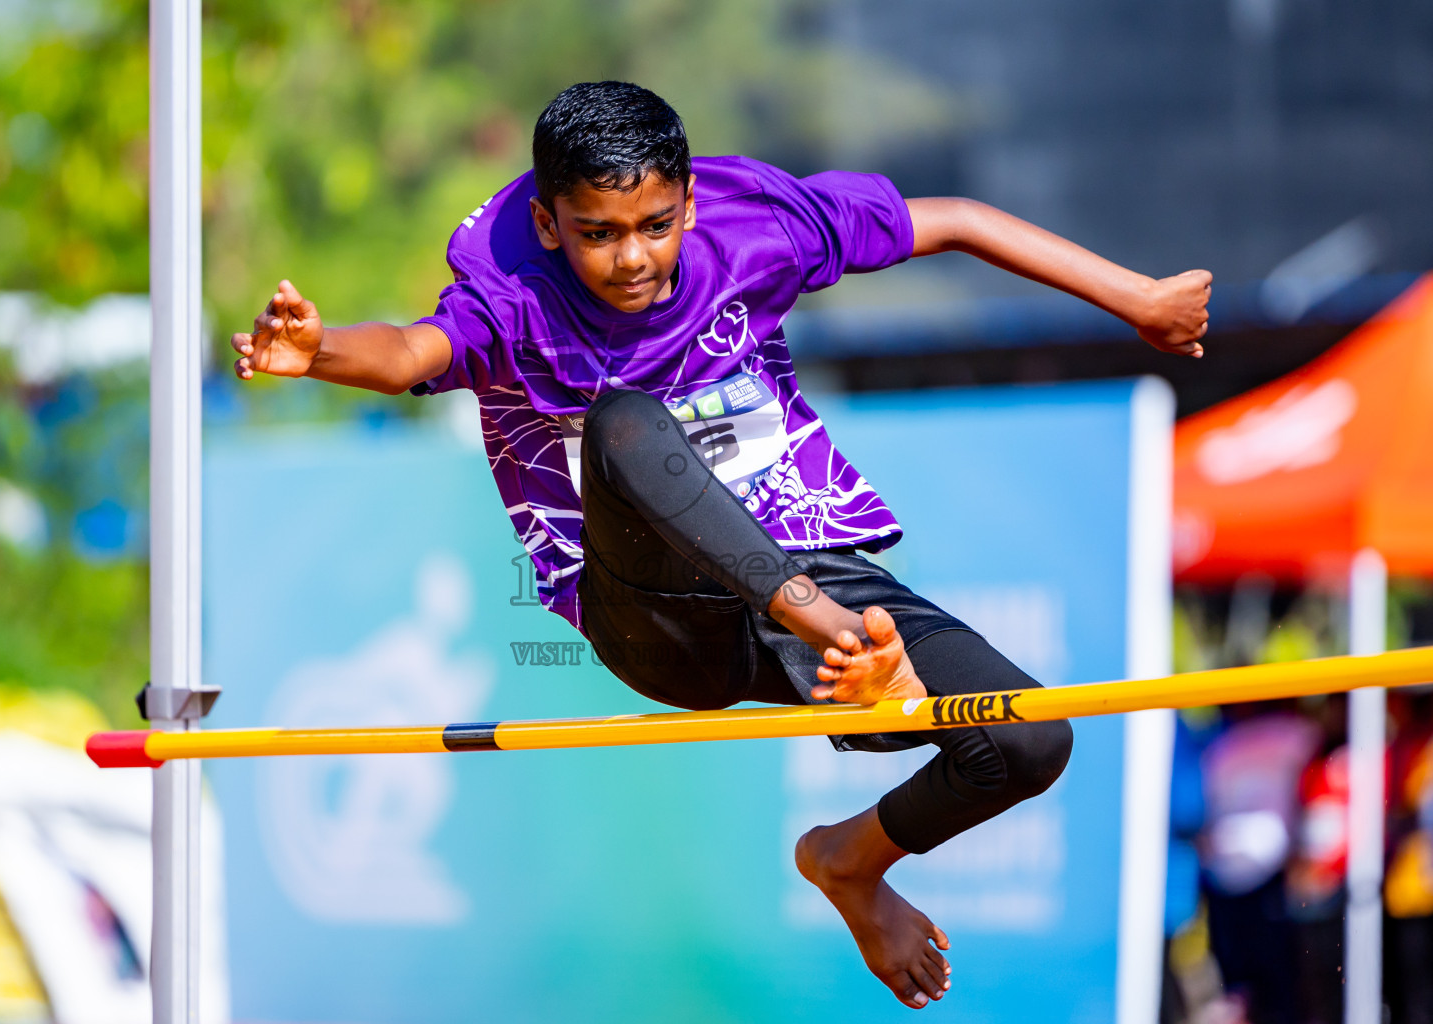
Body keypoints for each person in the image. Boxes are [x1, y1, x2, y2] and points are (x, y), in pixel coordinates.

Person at [230, 80, 1211, 1010]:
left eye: (654, 226)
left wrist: (1140, 299)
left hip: (805, 568)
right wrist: (319, 352)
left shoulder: (761, 229)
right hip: (652, 615)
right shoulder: (517, 295)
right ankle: (839, 640)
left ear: (690, 205)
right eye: (597, 235)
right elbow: (412, 351)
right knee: (624, 422)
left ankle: (850, 858)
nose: (631, 260)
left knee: (1029, 736)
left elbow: (953, 218)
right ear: (547, 224)